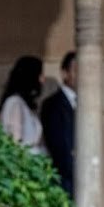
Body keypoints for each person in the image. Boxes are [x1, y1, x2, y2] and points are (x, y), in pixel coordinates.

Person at [40, 51, 77, 197]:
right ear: (65, 73)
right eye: (76, 70)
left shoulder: (84, 104)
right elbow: (58, 145)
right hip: (63, 179)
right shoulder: (52, 104)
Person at [0, 56, 45, 155]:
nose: (43, 79)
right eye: (40, 74)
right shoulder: (15, 103)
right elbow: (15, 143)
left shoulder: (23, 104)